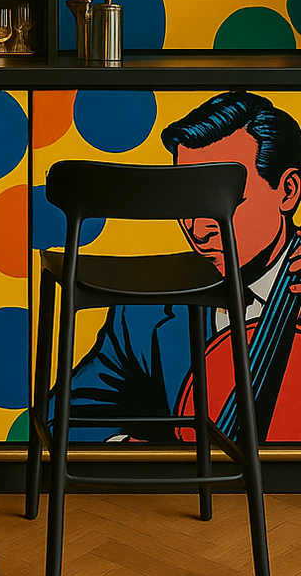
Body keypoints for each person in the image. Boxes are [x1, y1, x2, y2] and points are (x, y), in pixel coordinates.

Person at [67, 90, 301, 442]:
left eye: (224, 199)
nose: (197, 228)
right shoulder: (144, 312)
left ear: (288, 190)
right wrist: (133, 452)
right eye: (186, 198)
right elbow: (69, 412)